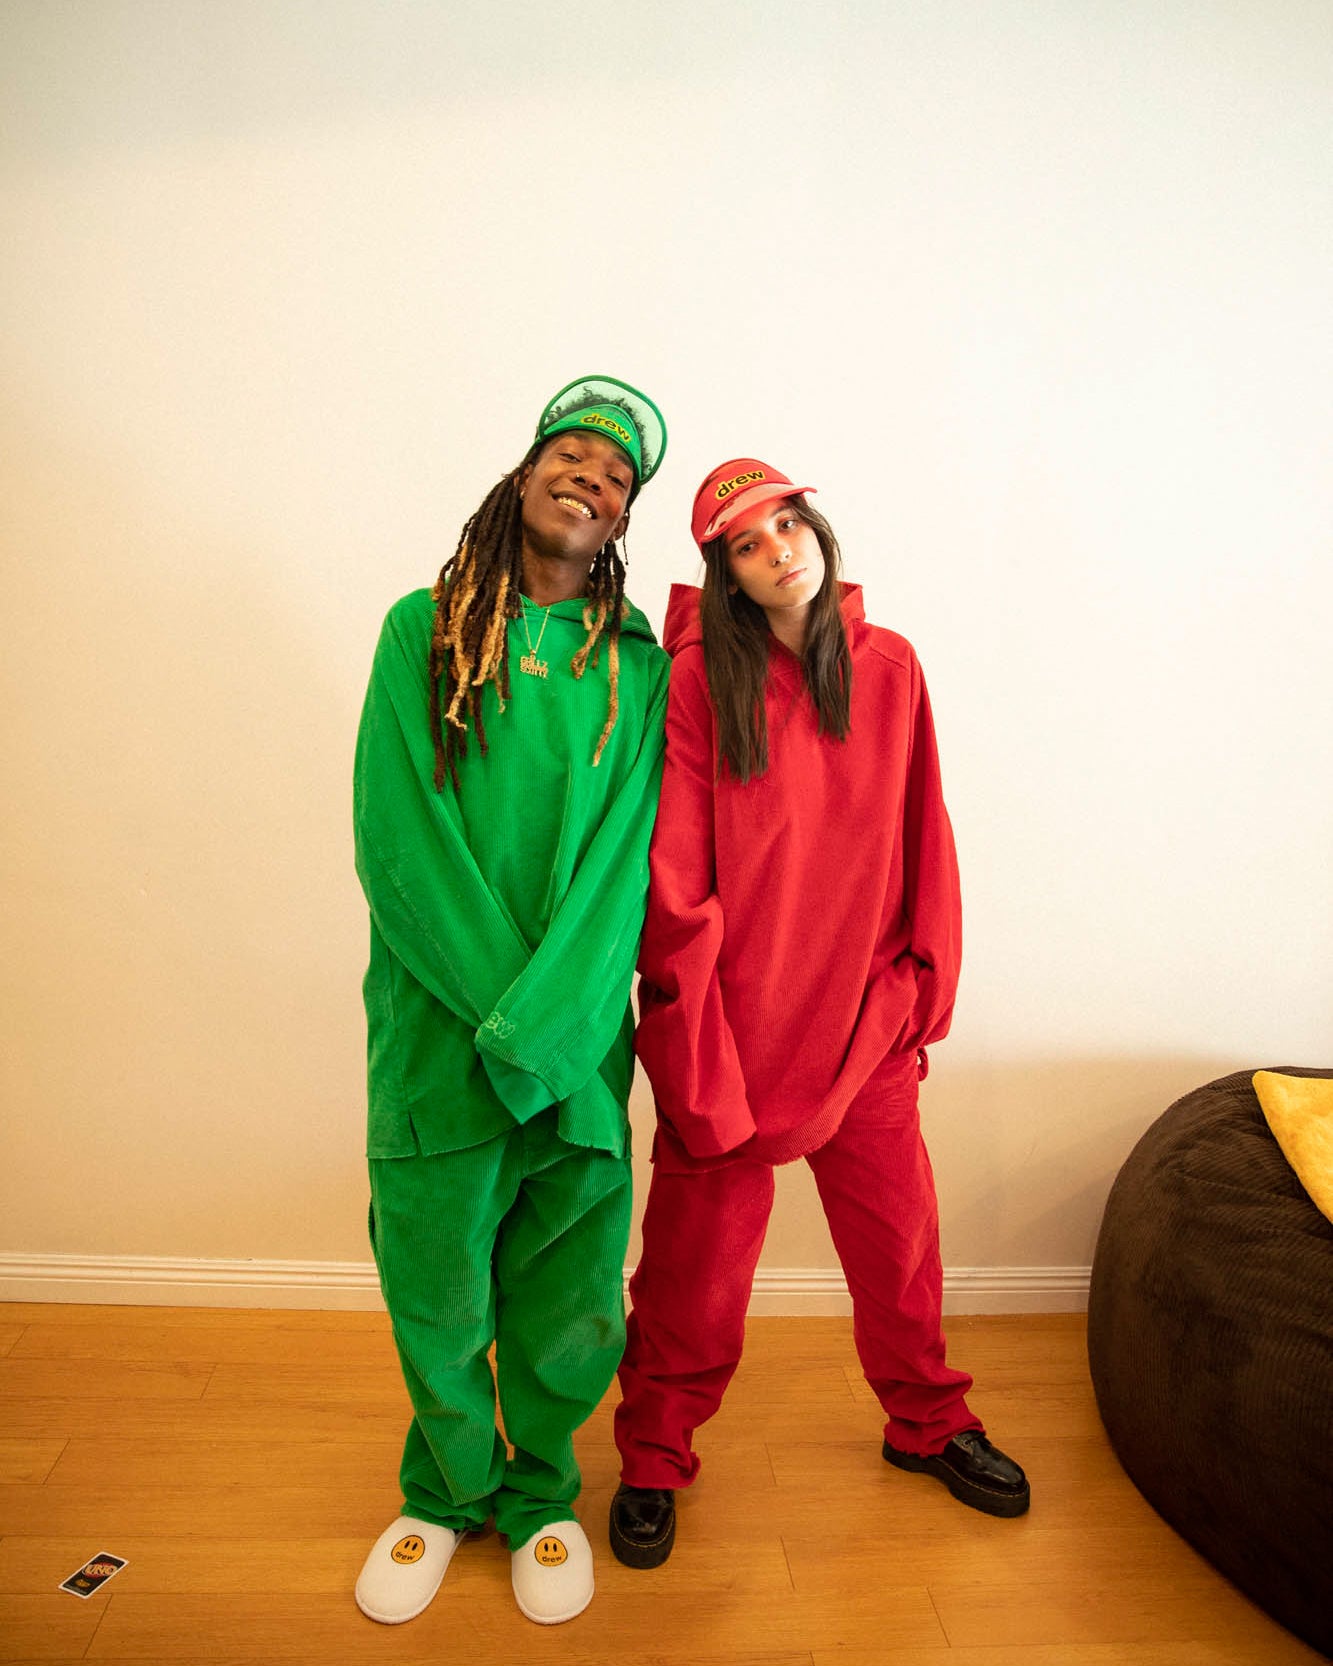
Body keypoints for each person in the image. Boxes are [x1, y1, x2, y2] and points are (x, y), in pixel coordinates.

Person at [609, 458, 1029, 1570]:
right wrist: (690, 1043)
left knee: (900, 1250)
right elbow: (675, 880)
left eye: (788, 524)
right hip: (733, 1038)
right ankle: (654, 1451)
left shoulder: (889, 668)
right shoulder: (695, 684)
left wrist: (921, 986)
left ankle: (927, 1421)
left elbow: (922, 830)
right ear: (727, 574)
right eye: (747, 543)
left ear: (818, 532)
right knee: (691, 1277)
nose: (777, 550)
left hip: (863, 1024)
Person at [352, 376, 670, 1626]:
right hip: (439, 1033)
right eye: (571, 454)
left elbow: (623, 868)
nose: (590, 477)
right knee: (434, 1278)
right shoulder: (420, 629)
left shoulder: (634, 669)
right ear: (524, 474)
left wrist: (551, 1029)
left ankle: (539, 1493)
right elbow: (400, 840)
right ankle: (442, 1491)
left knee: (567, 1285)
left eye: (616, 475)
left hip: (578, 1036)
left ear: (622, 517)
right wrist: (506, 1023)